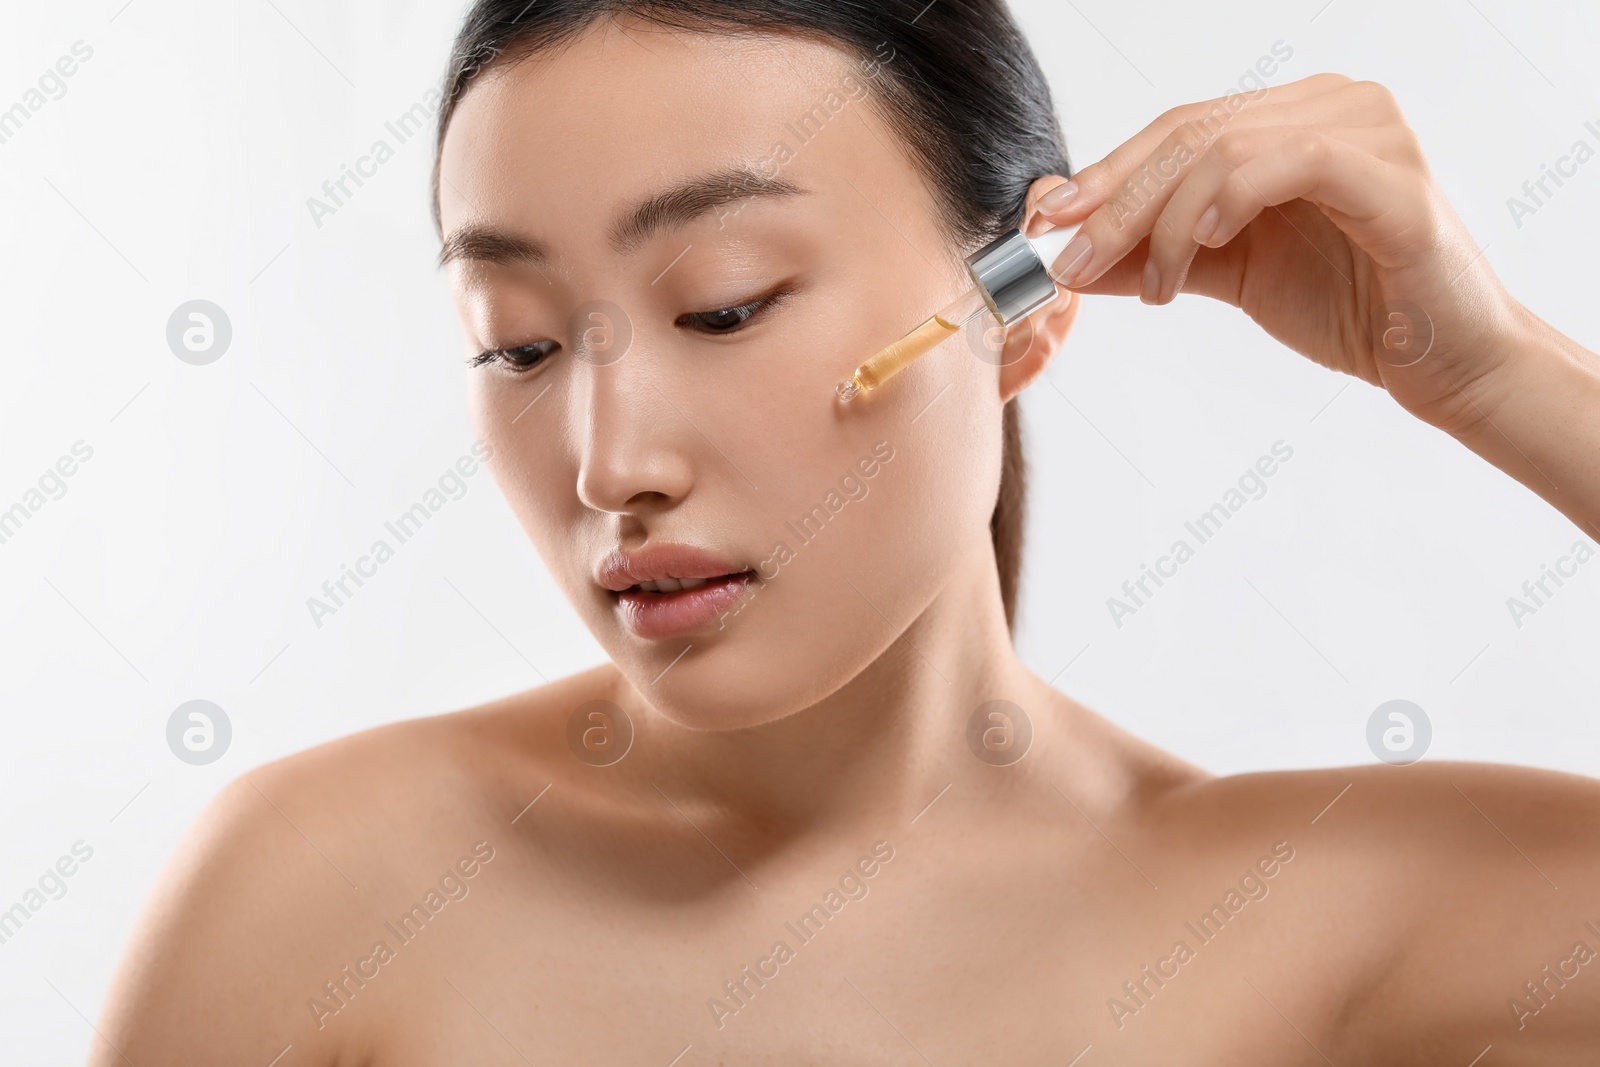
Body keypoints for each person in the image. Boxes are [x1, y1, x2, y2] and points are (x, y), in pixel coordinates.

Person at [93, 1, 1600, 1062]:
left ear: (1020, 307)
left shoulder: (1324, 921)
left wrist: (1496, 374)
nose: (614, 459)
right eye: (520, 344)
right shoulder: (315, 893)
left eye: (726, 304)